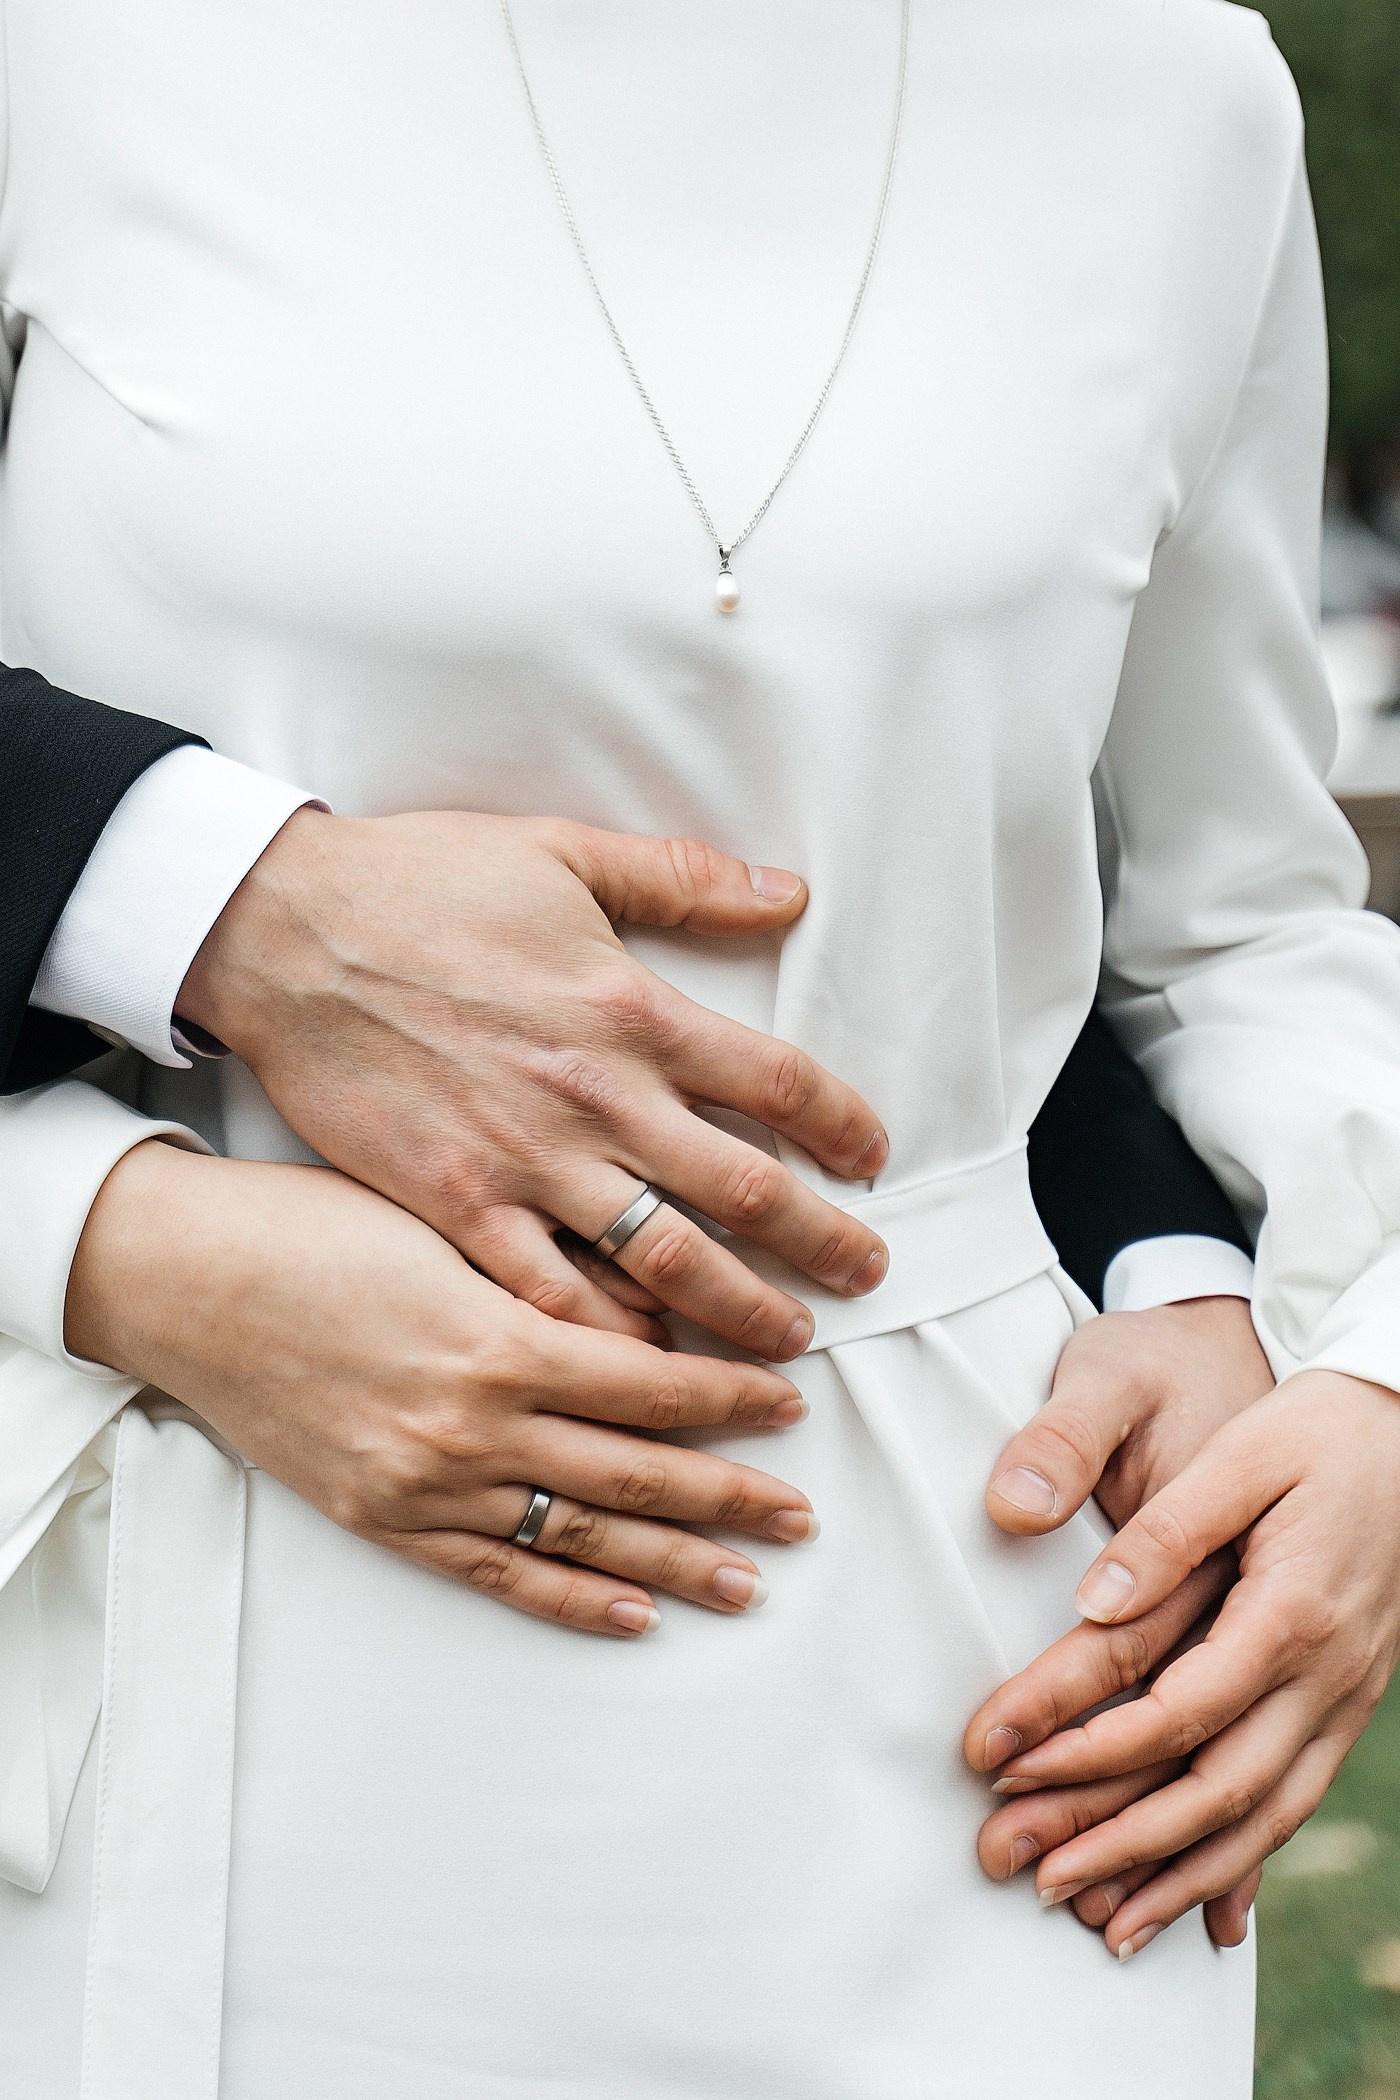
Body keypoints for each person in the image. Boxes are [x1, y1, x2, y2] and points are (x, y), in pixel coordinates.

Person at [4, 2, 1400, 2094]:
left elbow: (1235, 923)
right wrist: (103, 1223)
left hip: (1001, 1707)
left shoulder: (1170, 89)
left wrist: (1372, 1376)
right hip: (222, 1594)